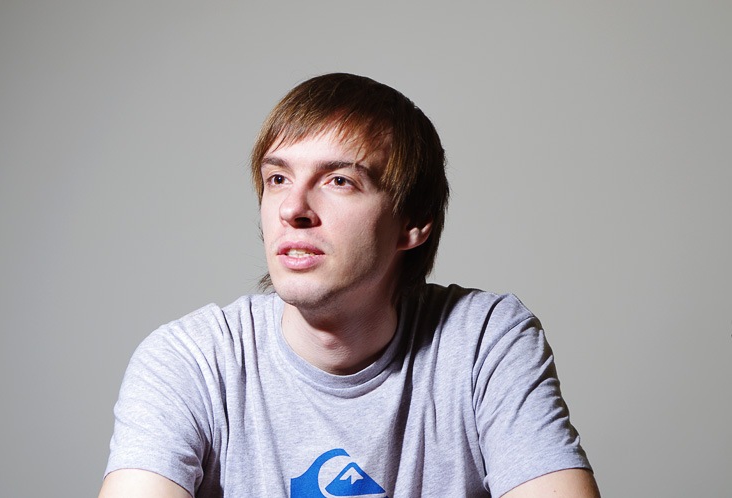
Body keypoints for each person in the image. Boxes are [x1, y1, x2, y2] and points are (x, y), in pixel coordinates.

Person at [99, 73, 600, 498]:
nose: (293, 209)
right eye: (277, 179)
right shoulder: (190, 360)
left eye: (339, 180)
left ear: (413, 222)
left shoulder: (483, 341)